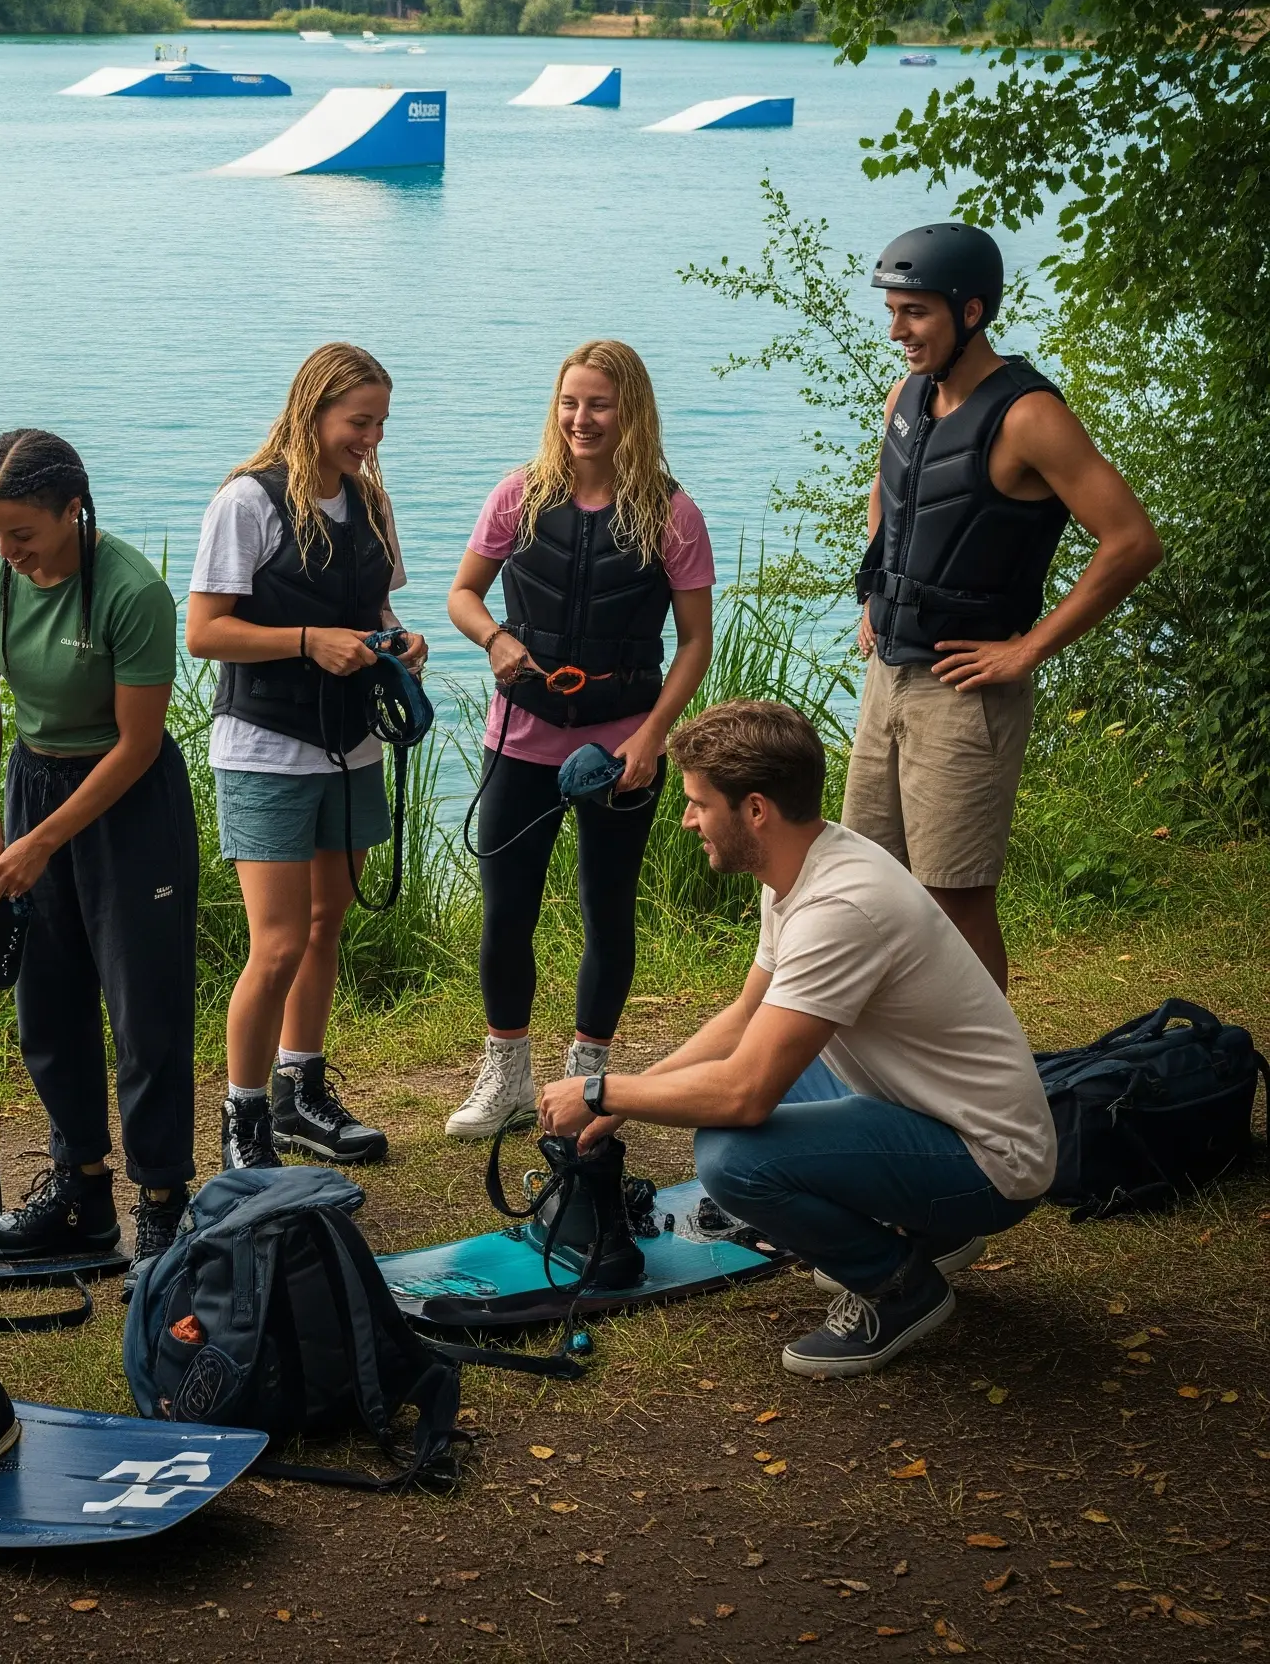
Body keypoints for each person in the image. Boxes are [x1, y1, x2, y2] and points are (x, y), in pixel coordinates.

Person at [539, 701, 1057, 1378]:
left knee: (731, 1156)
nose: (688, 819)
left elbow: (744, 1094)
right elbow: (745, 1016)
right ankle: (934, 1230)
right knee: (757, 1081)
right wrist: (623, 1102)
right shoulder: (801, 864)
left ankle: (899, 1286)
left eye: (699, 804)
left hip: (990, 1163)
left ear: (755, 810)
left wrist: (601, 1090)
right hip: (939, 1111)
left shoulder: (838, 908)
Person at [847, 223, 1161, 987]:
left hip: (964, 692)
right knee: (866, 878)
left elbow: (1131, 541)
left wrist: (1027, 650)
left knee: (954, 899)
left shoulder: (1029, 416)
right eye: (892, 311)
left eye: (915, 312)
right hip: (888, 675)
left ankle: (988, 1060)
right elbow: (890, 489)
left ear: (971, 311)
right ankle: (897, 1046)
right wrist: (874, 594)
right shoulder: (908, 395)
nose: (897, 331)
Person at [443, 339, 714, 1137]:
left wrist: (653, 738)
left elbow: (695, 641)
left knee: (606, 909)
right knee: (506, 912)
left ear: (631, 411)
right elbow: (463, 594)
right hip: (520, 740)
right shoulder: (517, 497)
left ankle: (587, 1079)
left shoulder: (672, 514)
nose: (581, 418)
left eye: (599, 403)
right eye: (570, 402)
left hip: (620, 751)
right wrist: (495, 639)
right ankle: (507, 1077)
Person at [0, 428, 198, 1271]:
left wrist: (44, 842)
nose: (5, 550)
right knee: (47, 1003)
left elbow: (138, 744)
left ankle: (162, 1202)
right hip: (33, 782)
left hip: (128, 802)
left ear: (73, 510)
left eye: (21, 533)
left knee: (144, 1011)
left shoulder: (132, 592)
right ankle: (80, 1194)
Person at [186, 342, 428, 1171]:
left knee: (327, 925)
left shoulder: (370, 504)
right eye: (360, 422)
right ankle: (244, 1119)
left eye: (381, 422)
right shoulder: (246, 502)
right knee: (280, 942)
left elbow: (376, 606)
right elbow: (204, 631)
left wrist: (400, 641)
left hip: (353, 745)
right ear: (313, 409)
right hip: (265, 749)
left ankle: (300, 1094)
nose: (373, 439)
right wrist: (305, 641)